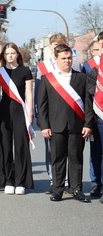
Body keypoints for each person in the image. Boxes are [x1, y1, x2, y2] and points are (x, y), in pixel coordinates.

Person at [37, 44, 95, 202]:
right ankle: (58, 189)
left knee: (76, 158)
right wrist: (44, 126)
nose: (67, 61)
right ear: (56, 59)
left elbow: (88, 104)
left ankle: (76, 189)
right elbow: (42, 105)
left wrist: (88, 124)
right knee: (58, 158)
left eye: (69, 58)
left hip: (77, 125)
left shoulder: (82, 78)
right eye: (63, 58)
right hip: (56, 125)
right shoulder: (47, 79)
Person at [36, 33, 76, 192]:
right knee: (52, 149)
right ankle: (54, 180)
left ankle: (69, 182)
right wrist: (39, 114)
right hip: (52, 115)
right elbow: (39, 93)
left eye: (59, 44)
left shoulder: (75, 64)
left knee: (71, 150)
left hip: (71, 114)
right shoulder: (43, 67)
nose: (55, 47)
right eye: (53, 45)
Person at [0, 42, 34, 195]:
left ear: (17, 54)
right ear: (3, 56)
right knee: (5, 146)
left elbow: (29, 94)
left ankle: (20, 181)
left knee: (21, 146)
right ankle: (8, 180)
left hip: (20, 111)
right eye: (7, 54)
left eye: (12, 53)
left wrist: (30, 113)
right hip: (3, 111)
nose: (10, 56)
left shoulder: (25, 71)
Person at [82, 31, 103, 198]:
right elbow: (88, 96)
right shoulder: (91, 66)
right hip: (97, 115)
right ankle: (96, 183)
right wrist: (89, 121)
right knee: (96, 151)